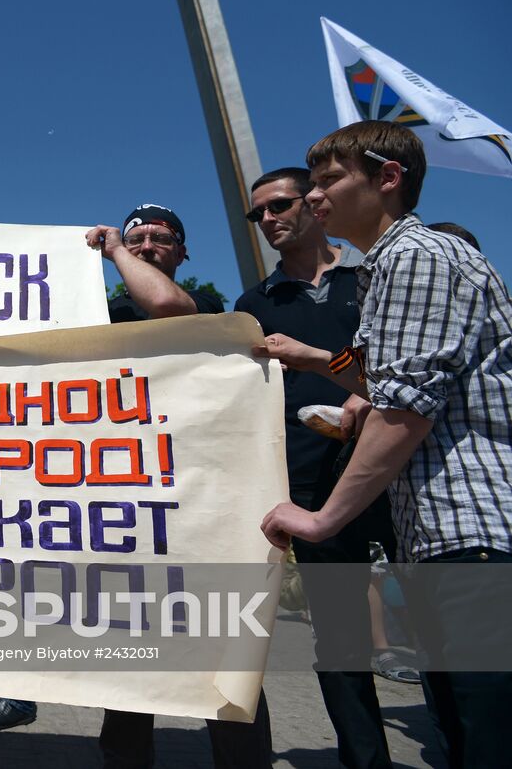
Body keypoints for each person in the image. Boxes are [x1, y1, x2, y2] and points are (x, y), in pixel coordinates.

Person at [259, 121, 512, 769]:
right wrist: (314, 358)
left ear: (388, 179)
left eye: (328, 181)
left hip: (474, 528)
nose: (315, 197)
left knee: (490, 732)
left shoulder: (415, 256)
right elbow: (380, 374)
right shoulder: (389, 266)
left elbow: (402, 409)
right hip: (438, 530)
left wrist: (322, 518)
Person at [84, 203, 271, 769]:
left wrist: (114, 247)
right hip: (120, 500)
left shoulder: (207, 307)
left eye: (159, 238)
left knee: (222, 642)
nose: (144, 246)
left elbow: (166, 305)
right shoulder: (98, 313)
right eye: (135, 237)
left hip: (198, 499)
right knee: (128, 644)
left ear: (183, 253)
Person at [234, 168, 392, 769]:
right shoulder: (254, 304)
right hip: (312, 487)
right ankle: (365, 760)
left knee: (440, 630)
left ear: (314, 203)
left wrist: (354, 382)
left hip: (403, 474)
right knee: (341, 638)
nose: (269, 219)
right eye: (258, 214)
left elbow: (394, 358)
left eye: (279, 205)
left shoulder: (373, 278)